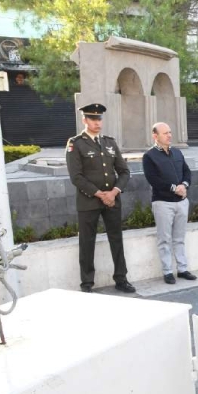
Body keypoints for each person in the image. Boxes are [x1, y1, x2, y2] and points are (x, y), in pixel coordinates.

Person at [65, 102, 136, 293]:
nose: (97, 122)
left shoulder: (109, 142)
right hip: (89, 200)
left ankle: (121, 278)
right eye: (93, 119)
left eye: (99, 119)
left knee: (117, 240)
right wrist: (99, 194)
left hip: (112, 199)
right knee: (87, 242)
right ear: (84, 120)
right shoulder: (76, 144)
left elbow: (124, 171)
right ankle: (87, 283)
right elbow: (76, 176)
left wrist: (113, 193)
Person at [142, 123, 196, 284]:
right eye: (165, 133)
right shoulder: (149, 156)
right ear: (155, 136)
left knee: (179, 238)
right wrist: (175, 188)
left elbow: (187, 172)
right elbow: (153, 179)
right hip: (163, 203)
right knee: (164, 239)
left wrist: (184, 186)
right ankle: (167, 271)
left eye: (170, 132)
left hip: (181, 202)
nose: (169, 135)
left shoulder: (177, 152)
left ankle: (182, 269)